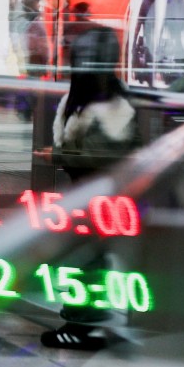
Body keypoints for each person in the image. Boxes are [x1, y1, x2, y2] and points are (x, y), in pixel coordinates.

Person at [42, 24, 141, 350]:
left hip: (98, 197)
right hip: (93, 196)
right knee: (85, 258)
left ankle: (83, 325)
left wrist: (57, 154)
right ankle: (82, 321)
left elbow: (101, 156)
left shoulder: (111, 106)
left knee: (85, 259)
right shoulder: (102, 98)